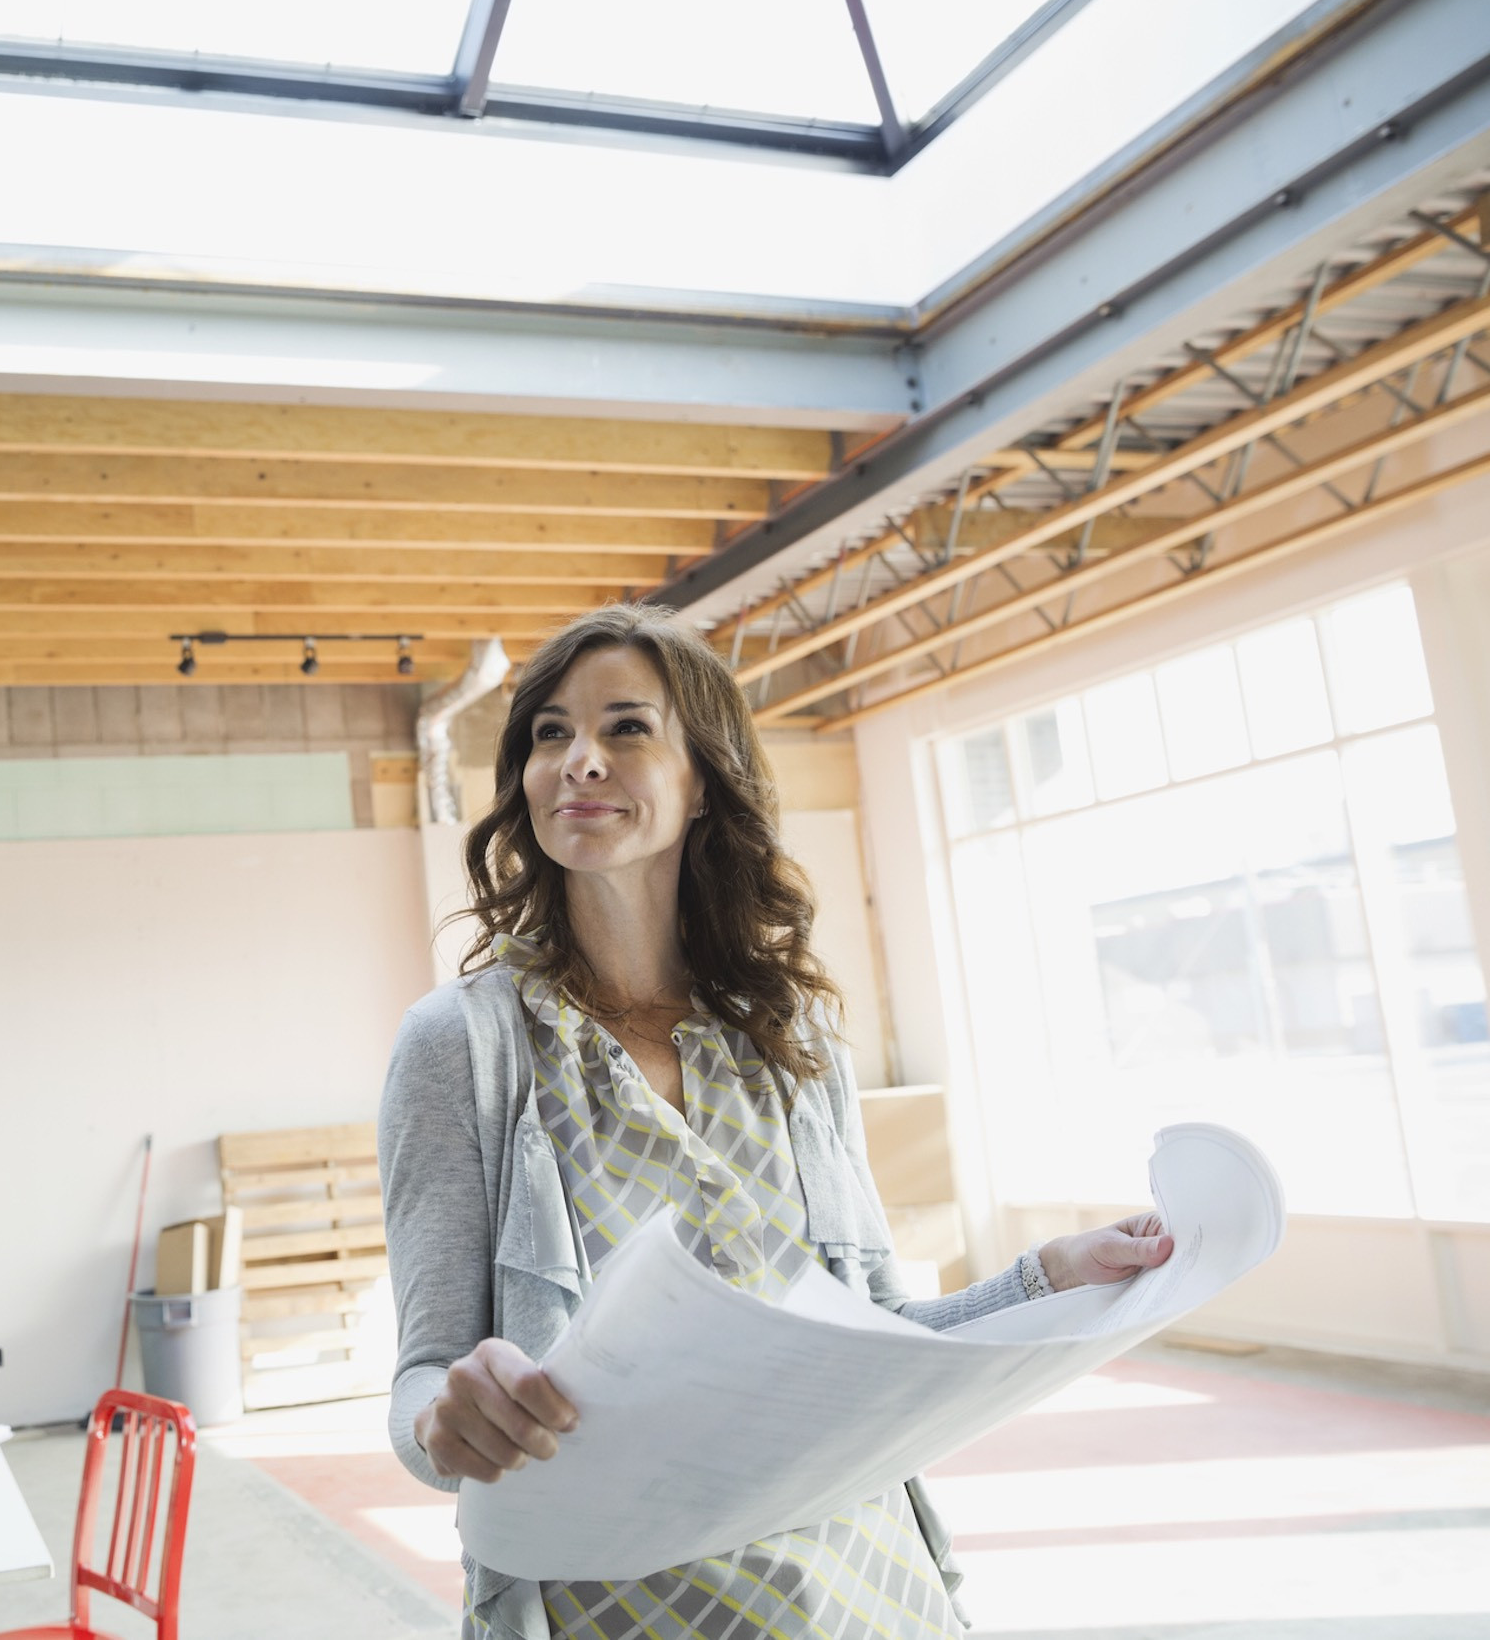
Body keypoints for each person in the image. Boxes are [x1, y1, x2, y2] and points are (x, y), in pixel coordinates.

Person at [378, 603, 1174, 1640]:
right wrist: (448, 1423)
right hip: (618, 1607)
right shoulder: (461, 1046)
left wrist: (1046, 1280)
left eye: (625, 726)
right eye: (548, 732)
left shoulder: (788, 1039)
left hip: (863, 1586)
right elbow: (421, 1383)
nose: (578, 759)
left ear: (702, 777)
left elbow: (874, 1336)